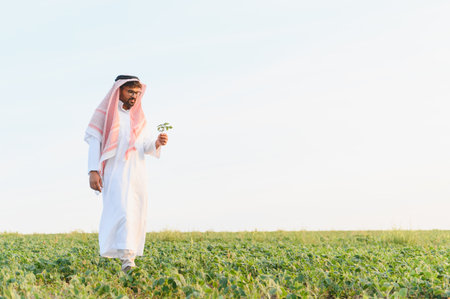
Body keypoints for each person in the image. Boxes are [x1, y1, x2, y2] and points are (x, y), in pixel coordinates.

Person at [84, 75, 168, 273]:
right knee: (121, 211)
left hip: (137, 172)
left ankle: (128, 260)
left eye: (137, 93)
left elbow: (145, 146)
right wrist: (93, 170)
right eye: (130, 92)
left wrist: (157, 143)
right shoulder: (104, 116)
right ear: (118, 91)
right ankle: (125, 258)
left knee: (134, 212)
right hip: (115, 172)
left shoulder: (139, 117)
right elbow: (94, 142)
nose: (134, 96)